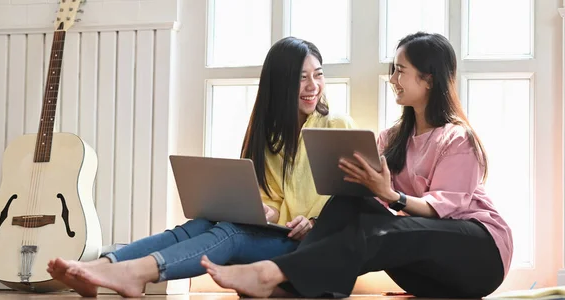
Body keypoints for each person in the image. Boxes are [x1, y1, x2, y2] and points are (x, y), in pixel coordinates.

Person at [200, 32, 514, 299]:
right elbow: (367, 205)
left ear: (428, 80)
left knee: (384, 228)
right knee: (349, 202)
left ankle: (272, 274)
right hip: (431, 274)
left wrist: (392, 196)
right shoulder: (391, 138)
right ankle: (301, 284)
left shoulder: (457, 139)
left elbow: (443, 209)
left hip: (480, 254)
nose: (392, 79)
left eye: (400, 71)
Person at [46, 36, 356, 298]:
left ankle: (136, 273)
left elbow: (351, 199)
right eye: (302, 77)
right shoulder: (270, 137)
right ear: (280, 82)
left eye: (318, 74)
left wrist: (314, 221)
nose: (313, 85)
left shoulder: (337, 125)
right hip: (279, 237)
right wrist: (266, 210)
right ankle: (102, 266)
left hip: (312, 250)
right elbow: (275, 200)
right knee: (200, 224)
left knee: (230, 233)